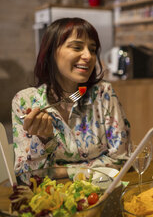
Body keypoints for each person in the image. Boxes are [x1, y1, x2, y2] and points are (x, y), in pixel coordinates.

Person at [11, 18, 131, 175]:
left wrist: (61, 172)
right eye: (77, 47)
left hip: (102, 191)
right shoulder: (25, 102)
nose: (88, 56)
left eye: (93, 49)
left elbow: (121, 159)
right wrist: (43, 140)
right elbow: (26, 176)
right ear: (51, 53)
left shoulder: (102, 93)